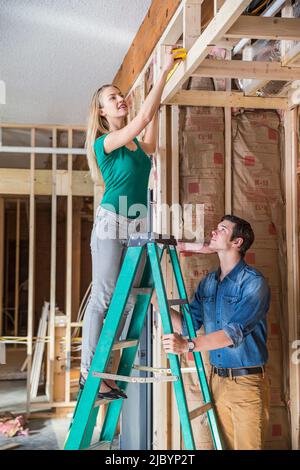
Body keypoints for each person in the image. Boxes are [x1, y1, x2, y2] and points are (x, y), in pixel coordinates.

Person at [80, 46, 182, 400]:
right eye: (113, 97)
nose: (121, 99)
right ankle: (88, 371)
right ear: (102, 111)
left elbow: (149, 138)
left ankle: (106, 367)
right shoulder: (103, 143)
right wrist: (164, 70)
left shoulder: (136, 144)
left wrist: (159, 87)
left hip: (137, 222)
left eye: (121, 95)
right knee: (104, 297)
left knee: (126, 300)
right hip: (112, 221)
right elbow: (141, 119)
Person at [152, 215, 271, 450]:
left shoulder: (253, 283)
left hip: (246, 383)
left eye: (222, 229)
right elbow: (188, 325)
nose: (214, 232)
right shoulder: (208, 283)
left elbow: (232, 334)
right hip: (216, 380)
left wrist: (187, 346)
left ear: (237, 242)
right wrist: (156, 301)